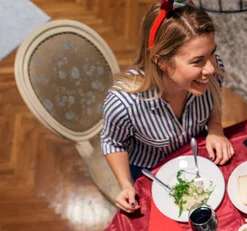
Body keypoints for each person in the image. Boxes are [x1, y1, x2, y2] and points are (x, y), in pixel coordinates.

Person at [101, 1, 235, 213]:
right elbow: (113, 142)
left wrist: (216, 127)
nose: (211, 67)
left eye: (211, 53)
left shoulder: (209, 72)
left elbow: (215, 98)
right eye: (197, 61)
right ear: (161, 61)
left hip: (197, 161)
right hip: (150, 174)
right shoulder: (123, 103)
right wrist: (126, 184)